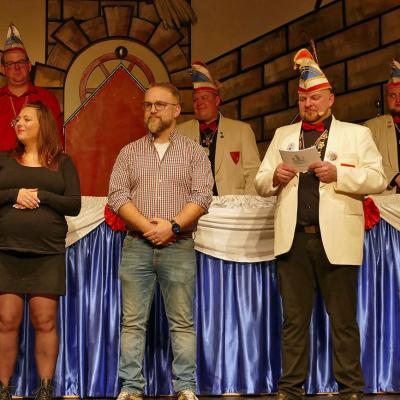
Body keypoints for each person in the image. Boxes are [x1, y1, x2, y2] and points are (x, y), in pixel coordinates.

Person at [255, 49, 387, 400]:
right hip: (294, 240)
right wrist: (275, 177)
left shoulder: (355, 134)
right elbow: (259, 179)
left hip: (336, 238)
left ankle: (350, 388)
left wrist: (338, 174)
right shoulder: (284, 133)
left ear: (330, 98)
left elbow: (378, 177)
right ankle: (290, 388)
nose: (308, 103)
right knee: (294, 322)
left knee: (343, 320)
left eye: (314, 97)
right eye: (302, 98)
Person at [108, 82, 213, 400]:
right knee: (132, 323)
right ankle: (131, 387)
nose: (151, 110)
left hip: (178, 246)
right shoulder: (129, 152)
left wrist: (173, 226)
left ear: (176, 111)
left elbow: (203, 195)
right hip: (137, 245)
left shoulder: (195, 152)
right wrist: (148, 227)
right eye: (147, 104)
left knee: (182, 322)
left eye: (159, 104)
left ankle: (185, 387)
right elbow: (117, 195)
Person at [0, 102, 81, 400]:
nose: (19, 123)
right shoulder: (5, 160)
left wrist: (41, 196)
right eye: (17, 119)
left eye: (26, 119)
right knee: (6, 320)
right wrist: (14, 194)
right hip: (6, 251)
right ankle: (3, 388)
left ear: (42, 124)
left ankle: (46, 388)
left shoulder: (62, 162)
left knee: (45, 321)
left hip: (46, 253)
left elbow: (74, 204)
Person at [178, 61, 260, 195]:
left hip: (232, 210)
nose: (198, 103)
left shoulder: (241, 130)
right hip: (191, 209)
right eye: (195, 100)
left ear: (216, 101)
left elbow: (253, 172)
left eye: (204, 98)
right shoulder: (180, 132)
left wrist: (248, 206)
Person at [0, 23, 63, 151]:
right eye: (11, 63)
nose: (17, 67)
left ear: (29, 66)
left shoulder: (46, 97)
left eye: (21, 62)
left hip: (38, 168)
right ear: (3, 69)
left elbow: (57, 140)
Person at [364, 59, 400, 193]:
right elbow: (367, 160)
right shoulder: (372, 126)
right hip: (385, 200)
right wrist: (395, 176)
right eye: (392, 95)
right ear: (386, 98)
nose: (398, 100)